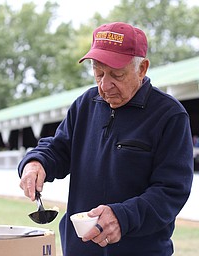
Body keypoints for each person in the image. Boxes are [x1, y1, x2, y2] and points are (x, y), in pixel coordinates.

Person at [18, 22, 193, 256]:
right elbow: (58, 149)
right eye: (98, 72)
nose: (104, 85)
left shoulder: (169, 115)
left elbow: (171, 191)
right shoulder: (84, 105)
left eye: (117, 75)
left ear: (142, 69)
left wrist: (123, 217)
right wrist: (35, 162)